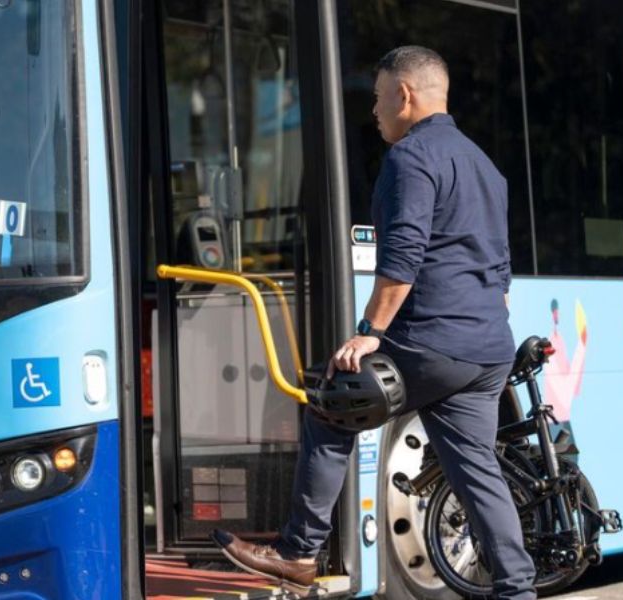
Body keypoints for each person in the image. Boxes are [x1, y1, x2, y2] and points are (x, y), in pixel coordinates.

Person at [212, 46, 537, 599]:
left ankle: (297, 553)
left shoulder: (411, 157)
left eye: (380, 97)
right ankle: (517, 590)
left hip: (432, 339)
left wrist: (369, 333)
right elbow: (500, 269)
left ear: (405, 95)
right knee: (477, 472)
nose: (375, 110)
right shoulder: (485, 165)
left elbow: (403, 256)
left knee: (333, 404)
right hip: (486, 348)